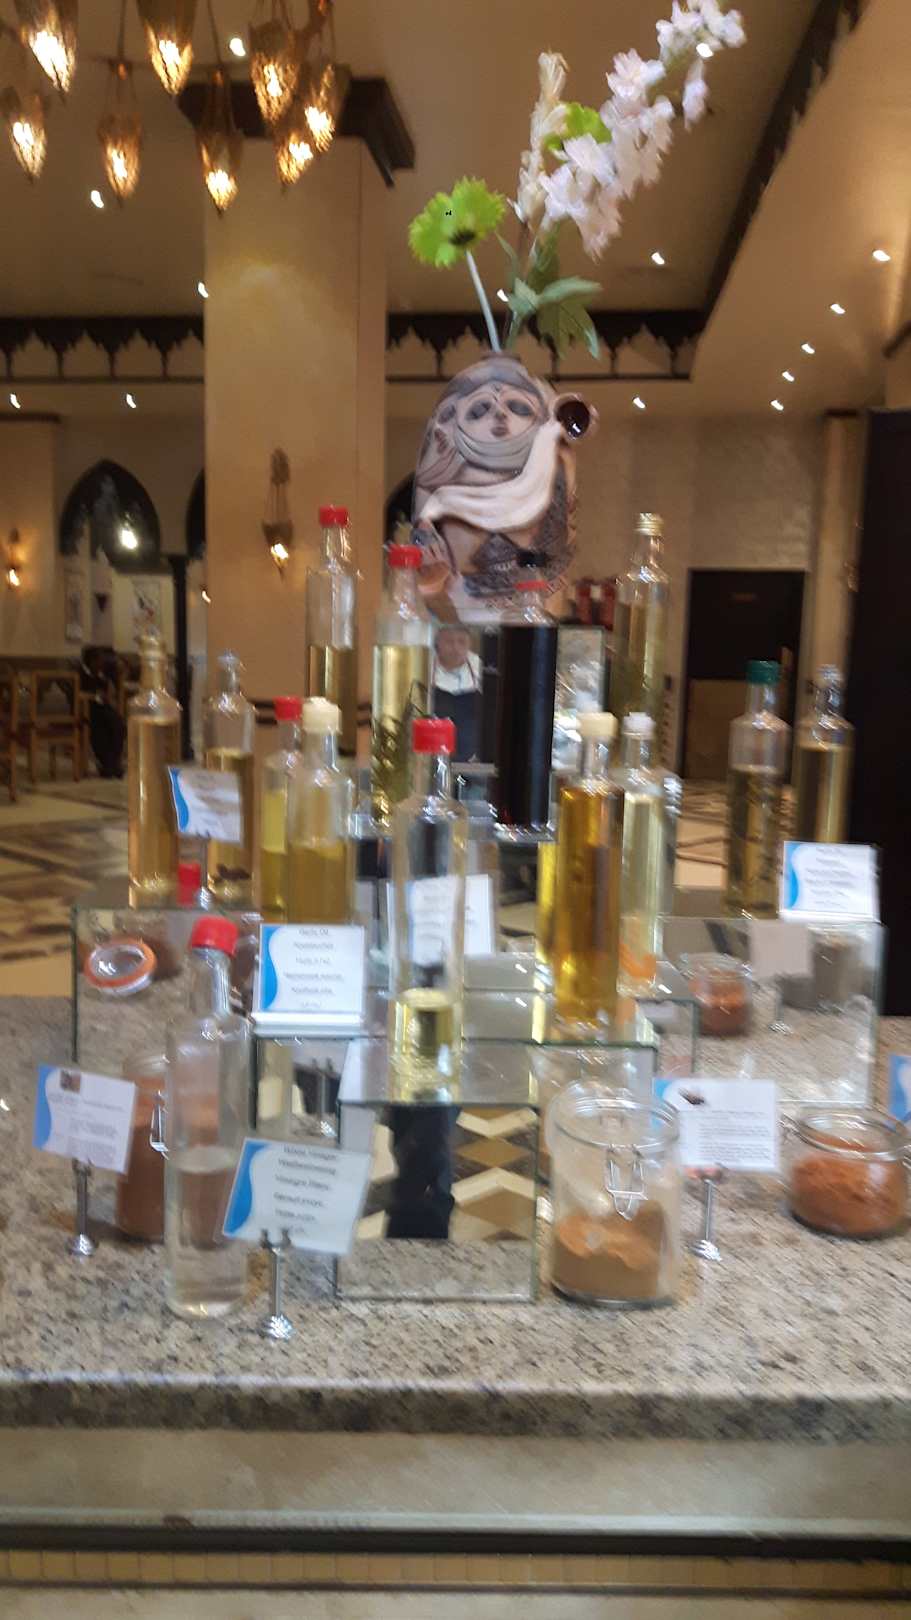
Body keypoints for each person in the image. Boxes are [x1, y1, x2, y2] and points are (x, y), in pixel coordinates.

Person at [432, 623, 482, 761]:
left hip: (472, 757)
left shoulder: (480, 667)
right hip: (434, 752)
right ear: (437, 643)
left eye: (462, 641)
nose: (456, 648)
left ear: (469, 643)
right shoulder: (425, 666)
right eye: (449, 641)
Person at [80, 647, 125, 778]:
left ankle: (113, 763)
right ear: (91, 661)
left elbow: (106, 693)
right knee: (99, 730)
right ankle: (107, 764)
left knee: (119, 725)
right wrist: (95, 696)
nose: (101, 663)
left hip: (102, 709)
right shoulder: (80, 675)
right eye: (99, 660)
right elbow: (77, 694)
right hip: (86, 710)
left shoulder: (101, 675)